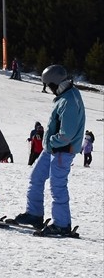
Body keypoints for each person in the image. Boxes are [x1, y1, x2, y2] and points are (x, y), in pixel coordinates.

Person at [7, 66, 86, 237]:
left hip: (62, 150)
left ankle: (62, 224)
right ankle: (34, 214)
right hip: (52, 149)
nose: (49, 89)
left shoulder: (69, 101)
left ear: (55, 83)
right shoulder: (65, 96)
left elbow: (67, 134)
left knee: (57, 185)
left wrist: (50, 141)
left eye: (49, 85)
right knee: (36, 177)